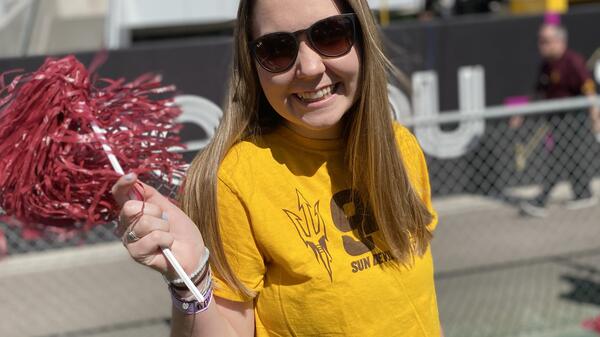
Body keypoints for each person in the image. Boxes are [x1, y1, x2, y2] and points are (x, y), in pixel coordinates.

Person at [112, 0, 442, 336]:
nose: (310, 67)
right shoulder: (234, 181)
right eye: (277, 48)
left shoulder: (400, 146)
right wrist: (191, 281)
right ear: (252, 63)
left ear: (362, 37)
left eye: (330, 34)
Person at [515, 23, 600, 217]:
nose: (541, 45)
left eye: (546, 41)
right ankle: (583, 194)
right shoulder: (546, 65)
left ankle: (541, 200)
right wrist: (521, 113)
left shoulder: (573, 61)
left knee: (559, 158)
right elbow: (538, 91)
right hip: (556, 119)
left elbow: (589, 90)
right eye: (540, 41)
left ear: (559, 41)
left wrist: (595, 117)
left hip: (573, 119)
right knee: (571, 158)